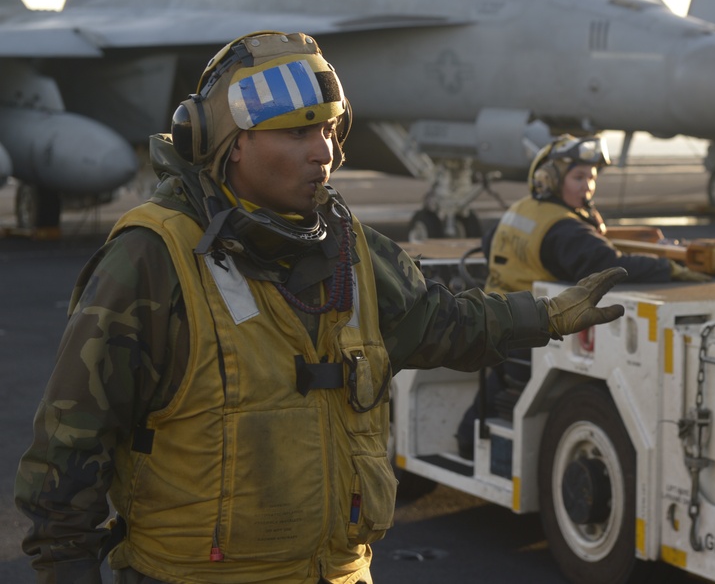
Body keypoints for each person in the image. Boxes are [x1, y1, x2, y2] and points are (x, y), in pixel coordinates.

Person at [13, 32, 627, 584]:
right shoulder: (153, 259)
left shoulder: (351, 249)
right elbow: (70, 443)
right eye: (297, 132)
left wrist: (544, 317)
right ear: (229, 143)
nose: (324, 153)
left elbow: (439, 324)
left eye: (330, 130)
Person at [457, 134, 709, 457]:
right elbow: (607, 266)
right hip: (531, 337)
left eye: (591, 177)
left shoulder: (523, 210)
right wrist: (671, 265)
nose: (588, 187)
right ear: (549, 179)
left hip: (501, 326)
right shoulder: (563, 229)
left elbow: (495, 242)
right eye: (578, 177)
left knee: (500, 384)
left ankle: (466, 439)